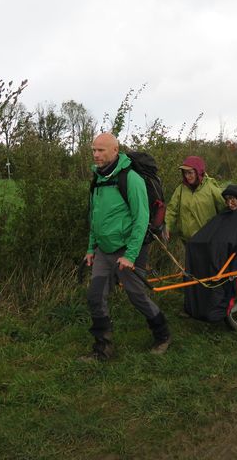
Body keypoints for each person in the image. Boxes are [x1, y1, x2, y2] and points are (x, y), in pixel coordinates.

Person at [82, 132, 170, 360]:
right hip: (104, 250)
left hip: (128, 249)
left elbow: (141, 219)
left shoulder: (131, 178)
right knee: (95, 296)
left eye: (101, 150)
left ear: (115, 150)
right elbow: (96, 217)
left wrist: (131, 255)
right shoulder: (98, 179)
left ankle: (162, 334)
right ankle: (103, 349)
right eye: (93, 150)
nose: (96, 154)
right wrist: (91, 248)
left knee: (136, 295)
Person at [183, 184, 237, 321]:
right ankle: (196, 306)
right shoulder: (226, 213)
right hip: (216, 245)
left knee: (215, 248)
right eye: (227, 200)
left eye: (233, 199)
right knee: (193, 245)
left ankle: (214, 309)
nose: (230, 203)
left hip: (227, 248)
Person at [164, 156, 226, 243]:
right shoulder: (181, 189)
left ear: (198, 172)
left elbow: (225, 208)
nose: (187, 176)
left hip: (207, 241)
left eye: (190, 173)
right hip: (187, 241)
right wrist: (167, 226)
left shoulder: (211, 187)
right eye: (185, 173)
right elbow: (172, 209)